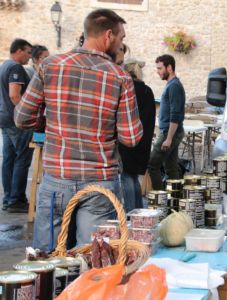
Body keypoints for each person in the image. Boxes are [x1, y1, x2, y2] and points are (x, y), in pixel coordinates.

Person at [15, 9, 143, 251]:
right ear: (108, 36)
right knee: (92, 262)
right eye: (121, 38)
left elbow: (22, 118)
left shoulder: (50, 66)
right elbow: (131, 137)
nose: (122, 43)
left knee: (48, 259)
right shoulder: (120, 78)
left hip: (57, 178)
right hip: (99, 182)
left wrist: (50, 122)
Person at [0, 38, 33, 213]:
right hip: (16, 120)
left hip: (5, 118)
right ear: (19, 51)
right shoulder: (15, 67)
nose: (29, 56)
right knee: (22, 159)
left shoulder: (4, 65)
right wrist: (25, 114)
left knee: (9, 159)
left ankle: (9, 199)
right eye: (28, 52)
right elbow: (14, 95)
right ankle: (16, 199)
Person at [119, 58, 156, 211]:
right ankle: (138, 213)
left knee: (127, 178)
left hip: (127, 142)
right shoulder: (147, 91)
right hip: (143, 142)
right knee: (134, 179)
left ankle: (130, 215)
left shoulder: (128, 89)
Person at [148, 54, 185, 190]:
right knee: (171, 168)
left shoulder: (174, 86)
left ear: (169, 67)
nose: (158, 72)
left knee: (152, 165)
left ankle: (160, 200)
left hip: (169, 133)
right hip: (172, 132)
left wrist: (168, 138)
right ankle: (175, 201)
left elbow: (175, 115)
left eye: (160, 68)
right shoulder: (172, 85)